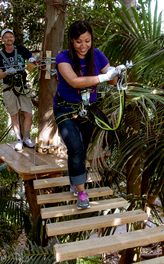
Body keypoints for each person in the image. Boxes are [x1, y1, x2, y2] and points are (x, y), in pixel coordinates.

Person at [53, 20, 123, 209]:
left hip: (87, 111)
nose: (83, 46)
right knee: (75, 148)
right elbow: (75, 82)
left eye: (87, 41)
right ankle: (82, 193)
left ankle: (74, 179)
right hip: (65, 110)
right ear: (71, 41)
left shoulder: (97, 55)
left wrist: (116, 72)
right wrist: (102, 77)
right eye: (78, 42)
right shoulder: (63, 57)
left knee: (81, 149)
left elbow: (111, 80)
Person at [0, 28, 36, 151]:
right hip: (8, 87)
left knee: (28, 113)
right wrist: (6, 72)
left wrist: (32, 60)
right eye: (6, 37)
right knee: (14, 115)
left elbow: (32, 58)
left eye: (10, 36)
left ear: (14, 38)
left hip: (22, 85)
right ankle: (18, 140)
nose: (9, 39)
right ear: (2, 40)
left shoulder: (21, 50)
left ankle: (26, 138)